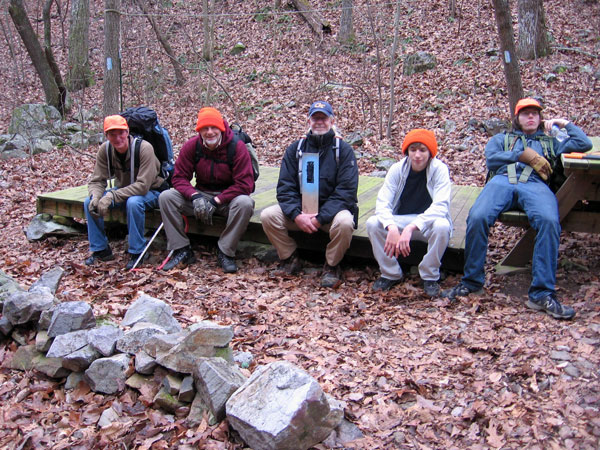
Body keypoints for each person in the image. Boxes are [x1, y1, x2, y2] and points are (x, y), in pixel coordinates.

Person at [443, 98, 593, 319]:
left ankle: (542, 293)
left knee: (550, 222)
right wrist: (521, 155)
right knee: (477, 216)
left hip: (535, 186)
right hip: (501, 182)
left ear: (541, 118)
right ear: (517, 118)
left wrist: (563, 123)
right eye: (525, 114)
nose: (530, 117)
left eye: (535, 113)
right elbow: (491, 160)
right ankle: (472, 282)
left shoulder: (552, 142)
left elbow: (584, 144)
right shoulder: (502, 139)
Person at [261, 100, 359, 288]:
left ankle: (331, 265)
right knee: (267, 216)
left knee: (346, 223)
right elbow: (284, 188)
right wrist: (297, 215)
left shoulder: (343, 151)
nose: (319, 122)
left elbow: (346, 192)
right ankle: (290, 258)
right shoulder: (295, 149)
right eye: (315, 118)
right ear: (309, 121)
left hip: (330, 215)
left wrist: (320, 218)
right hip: (301, 211)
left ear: (332, 121)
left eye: (324, 118)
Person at [158, 107, 254, 273]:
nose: (209, 132)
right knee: (167, 197)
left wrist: (217, 201)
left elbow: (245, 184)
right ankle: (181, 249)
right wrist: (194, 196)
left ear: (221, 128)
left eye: (213, 128)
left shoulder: (237, 147)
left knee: (245, 203)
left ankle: (225, 251)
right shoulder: (192, 146)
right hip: (201, 194)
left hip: (228, 199)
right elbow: (178, 178)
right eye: (205, 128)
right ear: (199, 130)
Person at [366, 129, 451, 297]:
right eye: (413, 150)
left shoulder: (440, 169)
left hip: (426, 224)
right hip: (401, 220)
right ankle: (390, 273)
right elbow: (383, 203)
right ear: (407, 151)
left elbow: (441, 206)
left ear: (430, 152)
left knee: (443, 225)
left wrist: (411, 227)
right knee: (372, 223)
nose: (417, 155)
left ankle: (430, 275)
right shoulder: (397, 169)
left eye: (422, 150)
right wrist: (391, 227)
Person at [84, 115, 165, 269]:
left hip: (152, 191)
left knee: (134, 202)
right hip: (123, 191)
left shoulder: (144, 148)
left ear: (127, 132)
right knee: (88, 202)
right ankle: (100, 249)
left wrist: (111, 196)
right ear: (106, 136)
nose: (117, 138)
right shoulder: (105, 150)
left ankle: (138, 252)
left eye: (121, 133)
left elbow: (142, 186)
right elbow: (97, 180)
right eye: (112, 134)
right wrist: (95, 196)